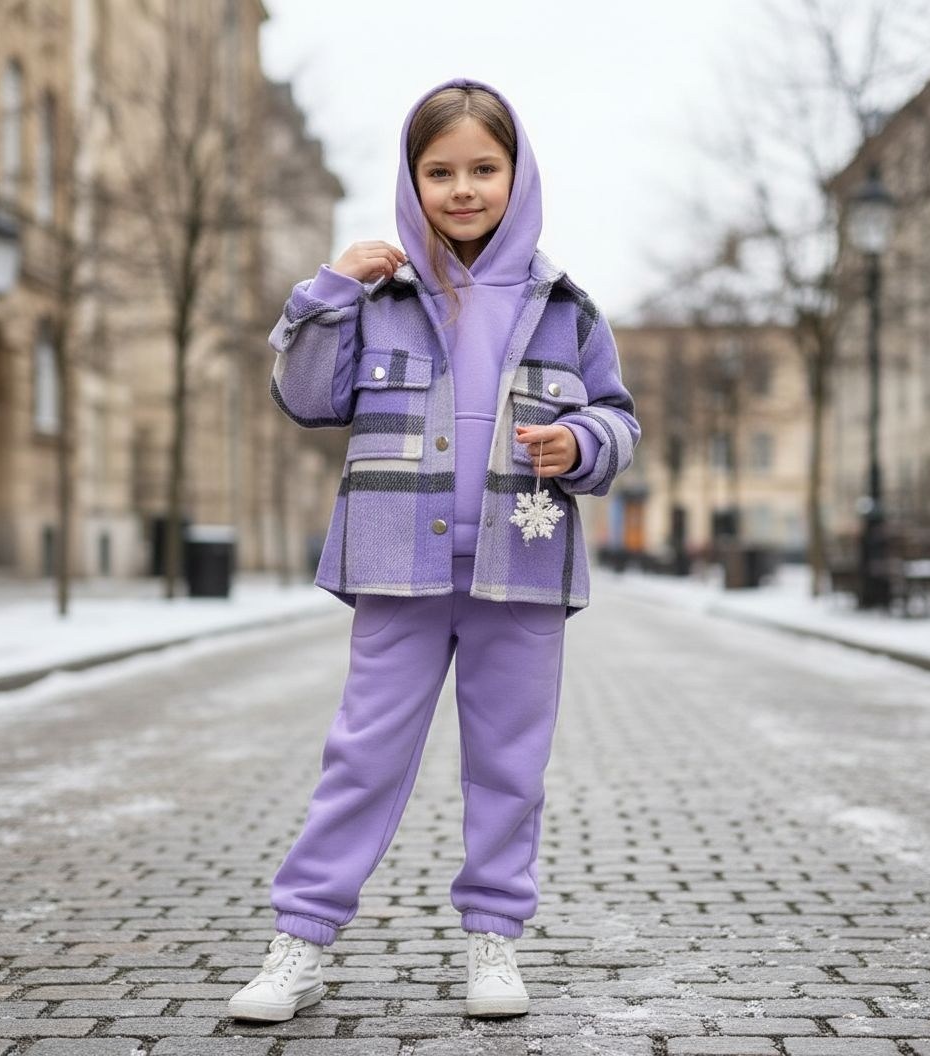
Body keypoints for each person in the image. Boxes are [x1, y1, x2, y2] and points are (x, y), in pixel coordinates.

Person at [228, 78, 640, 1023]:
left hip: (521, 569)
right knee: (362, 755)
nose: (463, 188)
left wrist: (580, 443)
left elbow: (618, 418)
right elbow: (305, 396)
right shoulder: (377, 298)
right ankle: (300, 938)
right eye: (440, 170)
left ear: (517, 174)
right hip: (395, 564)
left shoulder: (567, 308)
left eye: (483, 169)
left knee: (510, 764)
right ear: (412, 182)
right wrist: (327, 290)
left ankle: (493, 939)